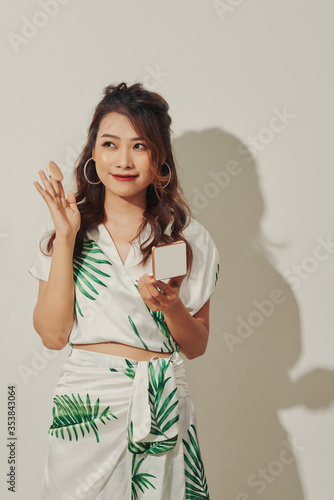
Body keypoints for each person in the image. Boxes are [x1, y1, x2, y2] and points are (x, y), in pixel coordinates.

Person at [28, 81, 220, 500]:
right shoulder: (65, 232)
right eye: (110, 144)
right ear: (92, 154)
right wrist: (65, 238)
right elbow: (53, 335)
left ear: (160, 159)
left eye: (140, 146)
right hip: (87, 407)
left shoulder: (188, 237)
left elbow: (197, 344)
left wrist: (171, 308)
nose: (123, 160)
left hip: (162, 402)